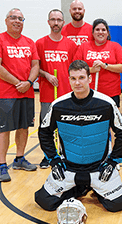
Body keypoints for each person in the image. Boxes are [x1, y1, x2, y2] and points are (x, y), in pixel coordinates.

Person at [35, 60, 122, 213]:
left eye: (81, 77)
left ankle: (97, 190)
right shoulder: (58, 105)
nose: (77, 82)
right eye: (73, 78)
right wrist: (54, 160)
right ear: (69, 80)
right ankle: (79, 188)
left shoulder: (106, 104)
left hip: (99, 168)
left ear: (90, 78)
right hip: (68, 168)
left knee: (119, 204)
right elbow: (44, 132)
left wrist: (113, 162)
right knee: (44, 201)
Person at [0, 8, 40, 182]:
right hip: (6, 94)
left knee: (24, 127)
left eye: (20, 18)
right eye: (13, 18)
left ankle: (19, 158)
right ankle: (2, 165)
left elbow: (35, 66)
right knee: (4, 130)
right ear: (6, 20)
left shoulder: (29, 42)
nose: (17, 21)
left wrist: (29, 83)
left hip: (27, 93)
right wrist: (17, 83)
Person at [35, 9, 78, 168]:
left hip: (66, 94)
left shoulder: (70, 44)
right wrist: (46, 74)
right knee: (46, 127)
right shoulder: (40, 43)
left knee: (66, 127)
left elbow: (75, 68)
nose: (56, 23)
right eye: (52, 19)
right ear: (48, 22)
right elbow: (34, 67)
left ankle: (66, 154)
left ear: (63, 23)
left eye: (59, 20)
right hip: (47, 94)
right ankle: (48, 156)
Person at [74, 19, 122, 104]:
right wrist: (91, 70)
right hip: (88, 92)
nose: (100, 32)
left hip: (111, 92)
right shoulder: (84, 47)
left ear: (107, 33)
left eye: (103, 30)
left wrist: (105, 66)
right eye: (97, 29)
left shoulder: (115, 46)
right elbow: (76, 68)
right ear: (93, 33)